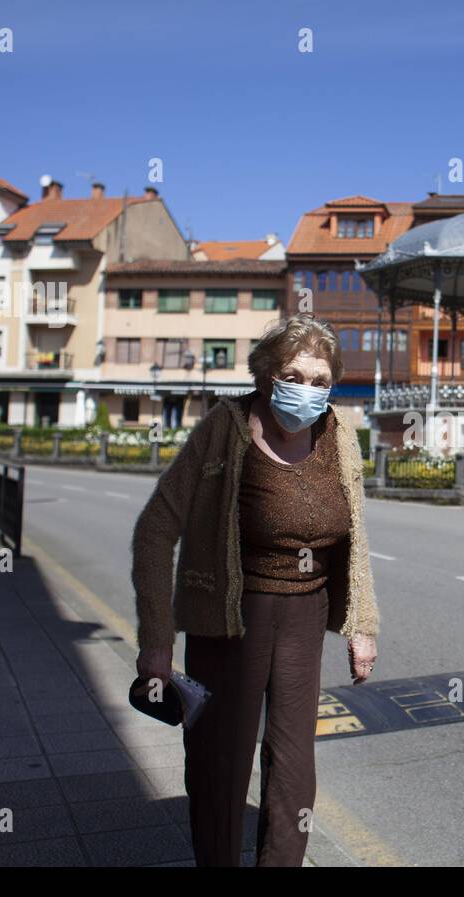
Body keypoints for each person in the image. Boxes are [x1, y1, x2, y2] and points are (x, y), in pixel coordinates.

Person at [130, 313, 379, 866]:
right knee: (223, 756)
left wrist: (361, 625)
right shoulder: (227, 426)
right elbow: (155, 528)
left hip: (305, 612)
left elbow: (355, 532)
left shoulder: (339, 433)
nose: (308, 390)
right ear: (268, 375)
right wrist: (156, 639)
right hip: (230, 614)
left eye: (320, 380)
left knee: (294, 765)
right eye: (296, 375)